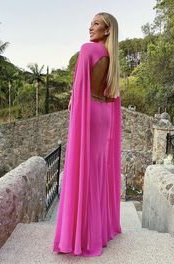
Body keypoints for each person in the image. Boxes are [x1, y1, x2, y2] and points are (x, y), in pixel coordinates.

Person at [52, 12, 122, 257]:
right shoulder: (111, 56)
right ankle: (98, 232)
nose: (90, 27)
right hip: (104, 113)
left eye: (96, 24)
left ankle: (80, 236)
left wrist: (74, 100)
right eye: (91, 23)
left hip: (90, 112)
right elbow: (111, 94)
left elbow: (80, 87)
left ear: (107, 30)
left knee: (83, 169)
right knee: (98, 170)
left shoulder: (88, 49)